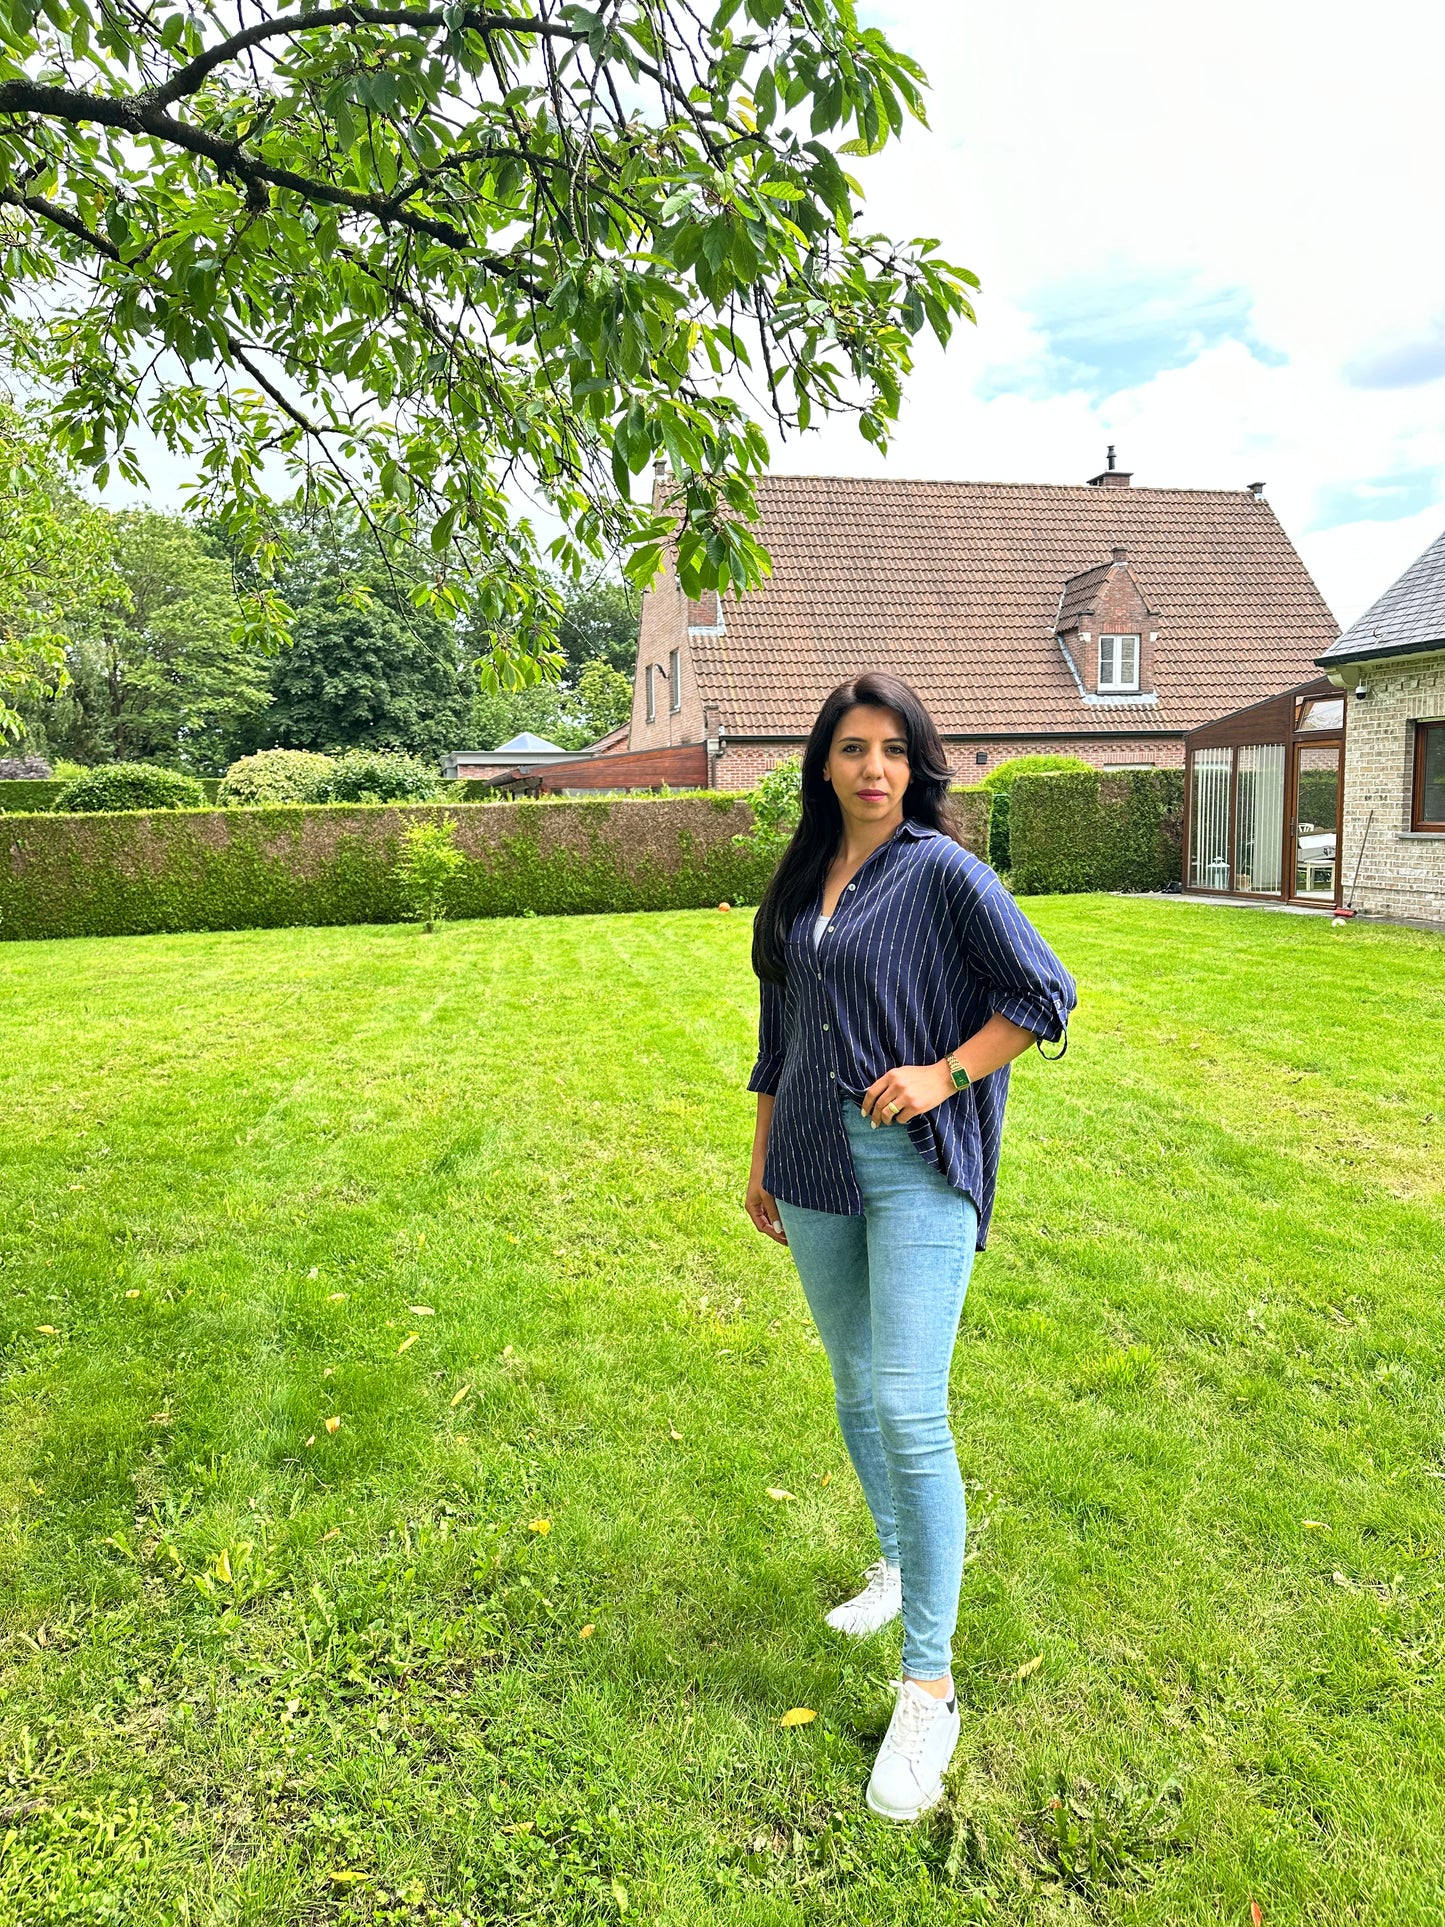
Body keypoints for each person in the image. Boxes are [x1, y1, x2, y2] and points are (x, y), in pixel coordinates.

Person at [743, 672, 1076, 1822]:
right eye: (851, 748)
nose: (872, 768)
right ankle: (891, 1564)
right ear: (821, 764)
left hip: (913, 1164)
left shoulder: (939, 870)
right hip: (810, 1162)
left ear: (916, 763)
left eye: (891, 749)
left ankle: (927, 1682)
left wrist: (943, 1073)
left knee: (906, 1402)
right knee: (848, 1381)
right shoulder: (800, 880)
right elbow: (776, 1031)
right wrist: (760, 1155)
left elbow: (1042, 992)